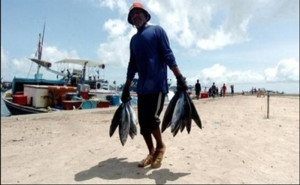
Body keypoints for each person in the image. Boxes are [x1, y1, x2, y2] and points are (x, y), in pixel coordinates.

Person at [121, 2, 187, 169]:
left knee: (152, 119)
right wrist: (127, 87)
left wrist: (179, 76)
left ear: (146, 15)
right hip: (141, 88)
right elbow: (132, 64)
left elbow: (168, 54)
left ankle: (160, 146)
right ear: (131, 19)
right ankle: (151, 152)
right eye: (132, 14)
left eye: (138, 12)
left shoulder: (157, 31)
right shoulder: (134, 40)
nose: (136, 16)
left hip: (157, 85)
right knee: (143, 124)